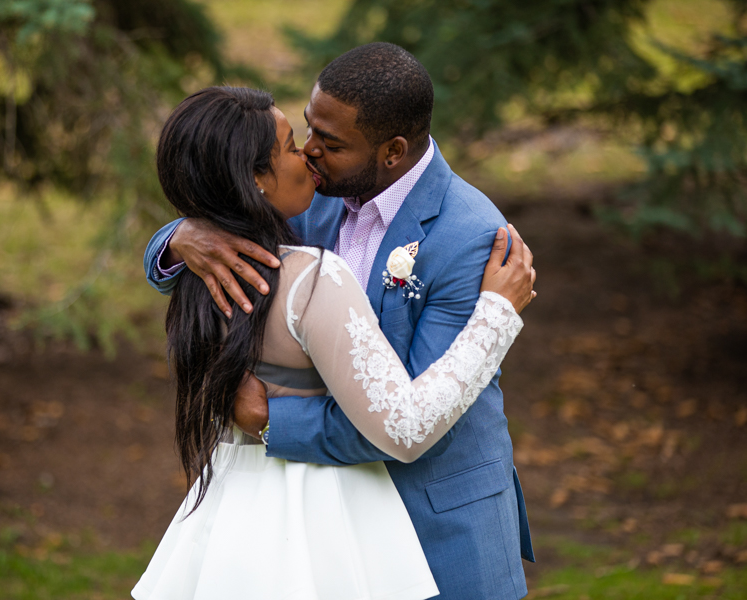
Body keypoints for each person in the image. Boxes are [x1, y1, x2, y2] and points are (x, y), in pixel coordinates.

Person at [141, 44, 536, 600]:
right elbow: (227, 203)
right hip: (327, 524)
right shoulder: (309, 195)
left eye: (330, 144)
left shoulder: (470, 238)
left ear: (392, 151)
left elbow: (412, 418)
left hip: (437, 518)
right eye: (306, 131)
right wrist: (181, 237)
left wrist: (270, 421)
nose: (308, 153)